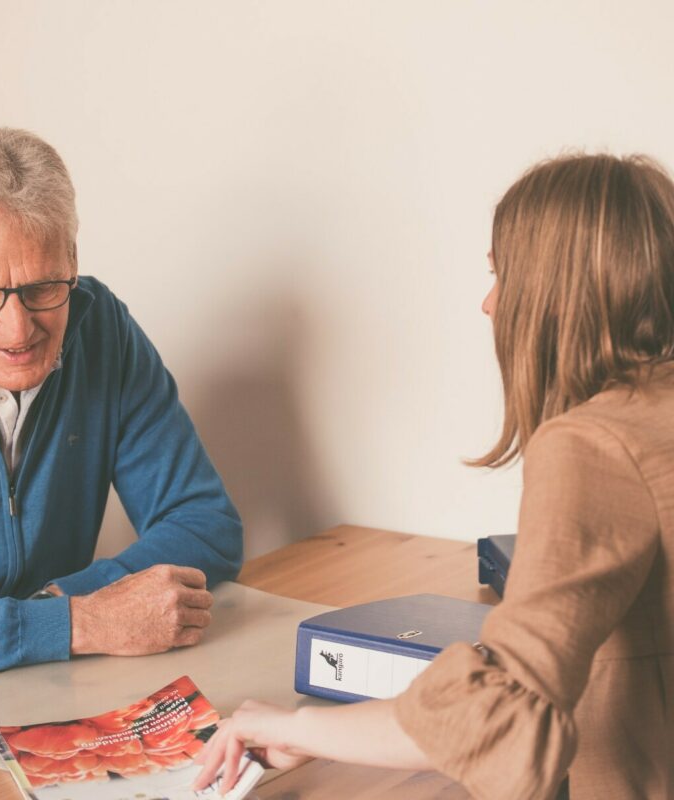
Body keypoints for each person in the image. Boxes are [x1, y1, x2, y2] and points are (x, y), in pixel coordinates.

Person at [194, 154, 674, 799]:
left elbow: (500, 715)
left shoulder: (593, 446)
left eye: (501, 274)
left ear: (554, 293)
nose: (488, 303)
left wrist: (294, 727)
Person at [0, 128, 243, 702]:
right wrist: (78, 622)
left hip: (48, 687)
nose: (18, 331)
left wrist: (55, 612)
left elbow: (204, 524)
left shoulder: (103, 328)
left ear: (72, 255)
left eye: (44, 287)